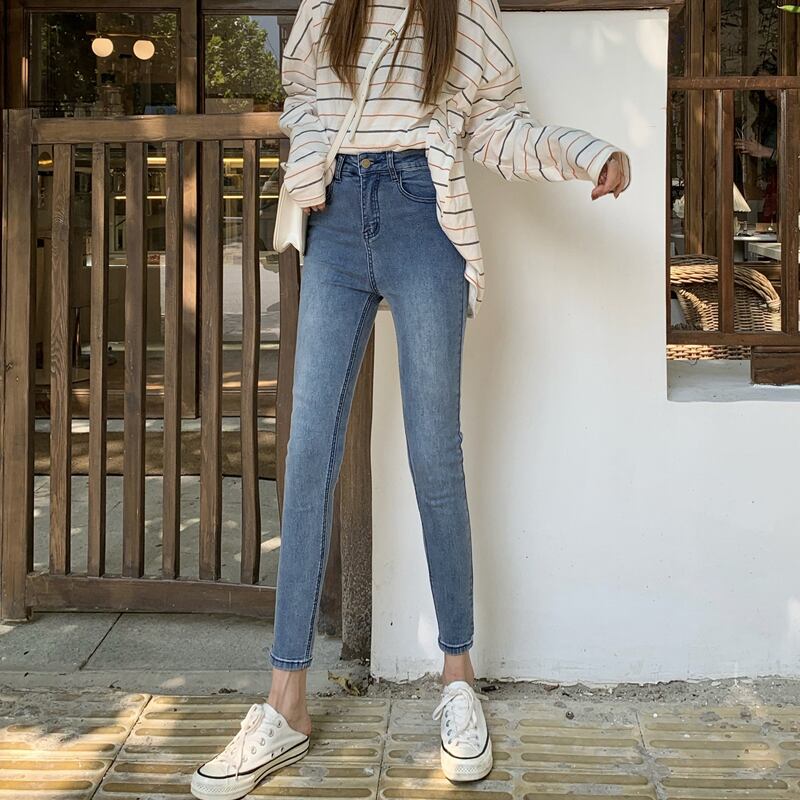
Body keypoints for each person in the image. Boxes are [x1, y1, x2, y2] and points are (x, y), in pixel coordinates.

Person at [191, 0, 630, 797]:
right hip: (335, 221)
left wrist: (583, 150)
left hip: (425, 215)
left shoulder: (465, 9)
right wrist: (315, 151)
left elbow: (497, 125)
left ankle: (457, 680)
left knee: (435, 456)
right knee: (307, 454)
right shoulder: (329, 4)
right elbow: (301, 94)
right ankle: (286, 702)